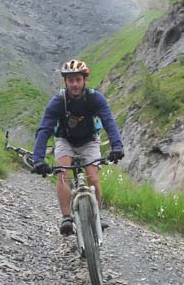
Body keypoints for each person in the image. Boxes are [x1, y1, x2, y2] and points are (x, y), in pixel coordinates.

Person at [32, 59, 124, 235]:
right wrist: (38, 159)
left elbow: (109, 121)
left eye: (78, 80)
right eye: (70, 80)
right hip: (65, 140)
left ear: (84, 80)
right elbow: (44, 129)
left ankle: (96, 216)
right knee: (62, 174)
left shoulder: (95, 98)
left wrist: (117, 146)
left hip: (89, 140)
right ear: (65, 82)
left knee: (93, 178)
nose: (74, 84)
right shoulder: (58, 101)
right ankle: (66, 218)